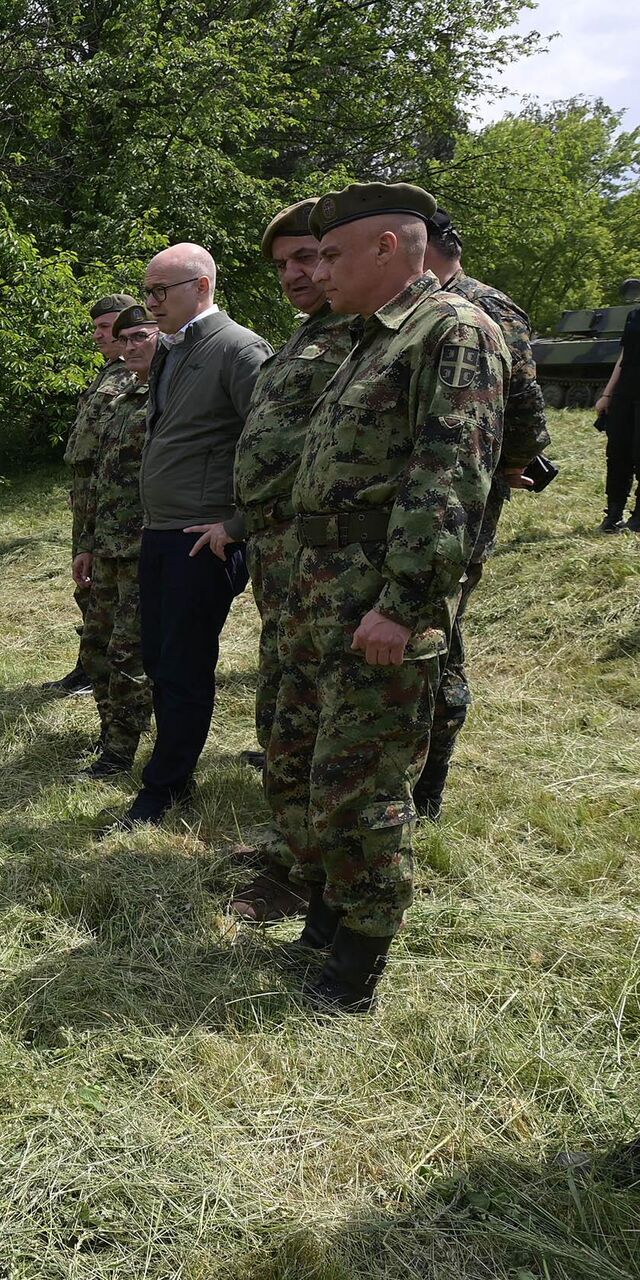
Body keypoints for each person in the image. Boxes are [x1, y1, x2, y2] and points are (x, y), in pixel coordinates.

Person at [271, 181, 506, 1013]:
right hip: (324, 589)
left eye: (332, 254)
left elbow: (449, 479)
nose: (318, 270)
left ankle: (354, 968)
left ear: (387, 248)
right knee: (314, 765)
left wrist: (404, 605)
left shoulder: (452, 331)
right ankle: (327, 922)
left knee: (364, 782)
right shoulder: (370, 340)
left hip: (378, 598)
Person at [196, 199, 356, 922]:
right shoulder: (306, 338)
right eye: (285, 264)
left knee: (322, 720)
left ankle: (312, 874)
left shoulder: (368, 336)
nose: (297, 274)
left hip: (334, 565)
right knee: (283, 708)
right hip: (282, 558)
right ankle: (291, 847)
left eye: (310, 258)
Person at [119, 244, 269, 826]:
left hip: (203, 537)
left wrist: (237, 524)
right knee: (159, 656)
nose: (150, 303)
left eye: (161, 290)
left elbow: (274, 447)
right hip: (162, 532)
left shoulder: (239, 349)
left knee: (182, 665)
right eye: (147, 290)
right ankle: (171, 767)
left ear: (200, 286)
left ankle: (166, 787)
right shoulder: (175, 351)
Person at [415, 209, 550, 820]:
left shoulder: (484, 309)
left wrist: (502, 471)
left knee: (439, 634)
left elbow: (524, 410)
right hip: (415, 499)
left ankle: (429, 775)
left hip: (458, 503)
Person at [76, 305, 159, 774]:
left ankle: (121, 750)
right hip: (107, 546)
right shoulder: (124, 398)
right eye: (123, 339)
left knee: (130, 655)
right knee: (96, 646)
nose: (129, 348)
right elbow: (99, 479)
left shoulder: (172, 397)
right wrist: (85, 543)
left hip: (147, 548)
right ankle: (110, 734)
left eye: (140, 338)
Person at [50, 293, 140, 695]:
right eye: (98, 327)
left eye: (106, 328)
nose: (99, 336)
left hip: (113, 499)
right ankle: (89, 664)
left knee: (104, 588)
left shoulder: (132, 376)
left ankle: (101, 668)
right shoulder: (108, 373)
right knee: (86, 583)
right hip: (89, 494)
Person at [594, 284, 640, 531]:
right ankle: (613, 513)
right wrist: (608, 394)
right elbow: (624, 357)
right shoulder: (635, 315)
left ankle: (638, 517)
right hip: (626, 391)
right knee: (617, 452)